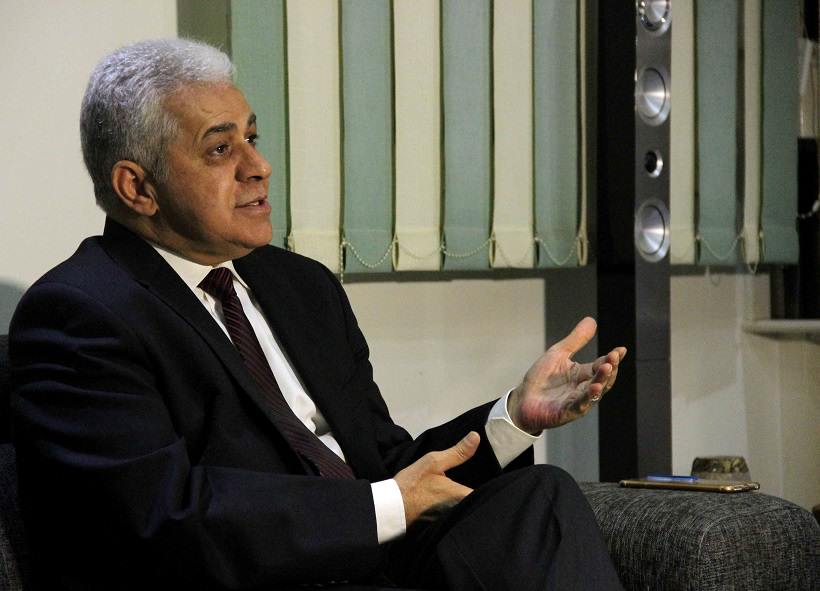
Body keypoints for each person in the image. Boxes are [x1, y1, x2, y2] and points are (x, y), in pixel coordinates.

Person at [9, 38, 626, 590]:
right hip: (259, 576)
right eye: (220, 148)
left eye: (252, 138)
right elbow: (160, 520)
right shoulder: (83, 314)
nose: (258, 166)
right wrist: (384, 508)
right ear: (137, 187)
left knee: (539, 499)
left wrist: (513, 418)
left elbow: (384, 464)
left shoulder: (301, 286)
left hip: (373, 560)